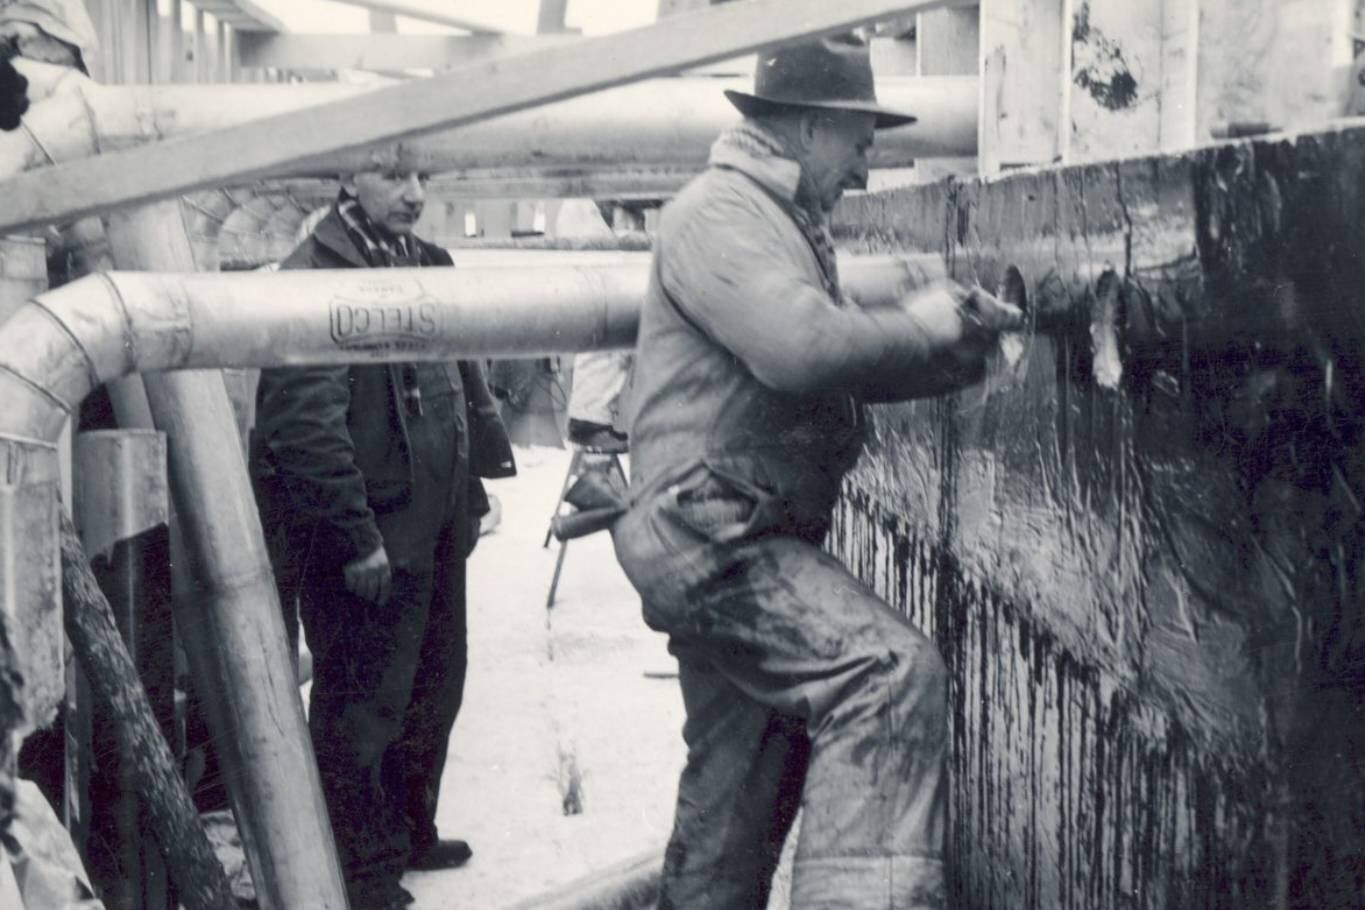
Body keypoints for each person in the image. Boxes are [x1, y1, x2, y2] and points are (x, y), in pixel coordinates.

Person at [610, 34, 1022, 909]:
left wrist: (962, 354)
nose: (867, 167)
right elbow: (801, 350)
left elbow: (841, 366)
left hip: (723, 530)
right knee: (887, 674)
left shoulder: (776, 222)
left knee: (744, 771)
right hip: (713, 537)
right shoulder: (720, 215)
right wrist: (919, 318)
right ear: (802, 129)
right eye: (858, 141)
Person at [249, 150, 516, 910]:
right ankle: (360, 870)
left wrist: (467, 494)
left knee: (435, 683)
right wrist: (353, 537)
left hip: (429, 530)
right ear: (345, 180)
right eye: (394, 176)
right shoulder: (312, 278)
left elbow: (455, 384)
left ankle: (405, 830)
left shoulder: (422, 262)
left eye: (421, 176)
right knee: (362, 702)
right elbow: (303, 429)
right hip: (371, 543)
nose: (415, 193)